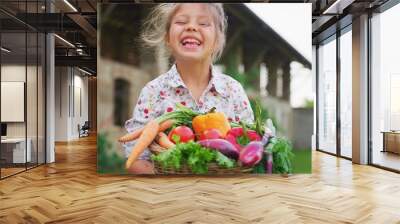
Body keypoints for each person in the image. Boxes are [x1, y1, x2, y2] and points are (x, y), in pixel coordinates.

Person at [124, 3, 254, 174]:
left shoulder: (233, 90)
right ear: (167, 38)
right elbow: (136, 160)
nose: (191, 27)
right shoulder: (153, 92)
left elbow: (251, 145)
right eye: (181, 22)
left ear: (217, 40)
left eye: (203, 23)